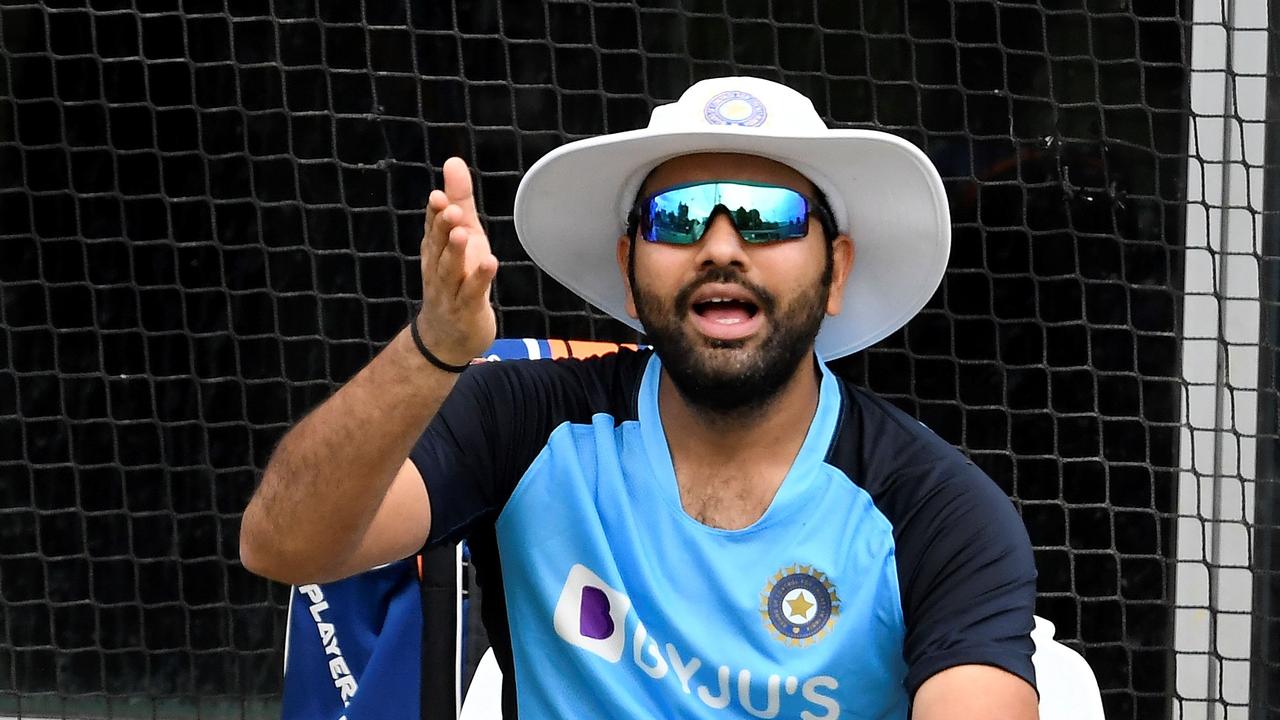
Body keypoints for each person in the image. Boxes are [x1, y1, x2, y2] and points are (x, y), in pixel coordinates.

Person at [240, 76, 1039, 719]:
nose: (721, 247)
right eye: (680, 217)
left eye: (769, 219)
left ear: (838, 269)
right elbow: (283, 545)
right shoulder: (521, 421)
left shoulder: (941, 513)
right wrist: (434, 350)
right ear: (628, 266)